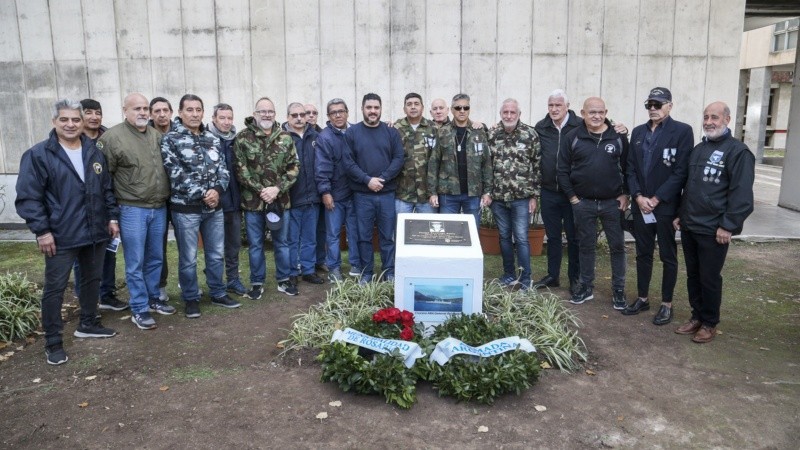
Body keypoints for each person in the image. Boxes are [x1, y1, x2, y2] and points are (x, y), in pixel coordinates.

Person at [16, 98, 119, 365]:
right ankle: (53, 342)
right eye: (64, 119)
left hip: (95, 232)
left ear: (82, 121)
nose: (71, 124)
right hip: (61, 235)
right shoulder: (38, 155)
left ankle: (88, 323)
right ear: (54, 122)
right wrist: (42, 231)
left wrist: (112, 218)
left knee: (91, 281)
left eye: (75, 119)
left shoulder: (94, 151)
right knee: (55, 289)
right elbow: (29, 198)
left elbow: (106, 189)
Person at [673, 101, 754, 343]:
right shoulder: (698, 150)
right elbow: (690, 187)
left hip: (714, 229)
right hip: (690, 225)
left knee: (709, 277)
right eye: (706, 117)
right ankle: (696, 316)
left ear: (727, 120)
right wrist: (680, 213)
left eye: (715, 117)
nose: (709, 121)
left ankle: (709, 322)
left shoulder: (738, 152)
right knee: (693, 275)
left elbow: (741, 193)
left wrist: (728, 224)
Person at [98, 93, 175, 330]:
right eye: (137, 109)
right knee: (135, 261)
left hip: (158, 207)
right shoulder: (111, 138)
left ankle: (153, 298)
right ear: (125, 111)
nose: (142, 112)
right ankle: (139, 308)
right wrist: (112, 214)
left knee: (155, 258)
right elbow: (104, 180)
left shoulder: (156, 136)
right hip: (131, 209)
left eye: (145, 108)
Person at [161, 94, 240, 318]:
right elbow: (174, 173)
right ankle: (191, 298)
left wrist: (217, 191)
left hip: (214, 209)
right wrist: (203, 194)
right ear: (180, 112)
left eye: (198, 110)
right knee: (188, 258)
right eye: (189, 110)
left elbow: (223, 169)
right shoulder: (170, 139)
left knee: (215, 255)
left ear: (203, 113)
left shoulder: (211, 138)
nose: (194, 114)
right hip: (185, 210)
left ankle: (217, 292)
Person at [622, 87, 694, 325]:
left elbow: (681, 171)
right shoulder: (639, 132)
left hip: (664, 206)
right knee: (643, 253)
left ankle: (666, 304)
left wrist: (657, 198)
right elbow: (630, 168)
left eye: (657, 104)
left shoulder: (682, 131)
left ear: (669, 106)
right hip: (642, 205)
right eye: (649, 105)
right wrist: (639, 196)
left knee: (667, 255)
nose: (652, 108)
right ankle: (643, 298)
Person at [557, 97, 629, 310]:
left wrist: (625, 194)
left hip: (612, 204)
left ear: (606, 112)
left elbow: (629, 167)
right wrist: (573, 198)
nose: (596, 116)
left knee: (617, 247)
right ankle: (586, 286)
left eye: (600, 112)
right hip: (583, 203)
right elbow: (562, 170)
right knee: (585, 247)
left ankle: (618, 289)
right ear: (583, 113)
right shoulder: (573, 137)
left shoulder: (618, 136)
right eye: (591, 112)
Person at [234, 97, 299, 297]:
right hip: (254, 203)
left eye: (270, 111)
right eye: (262, 111)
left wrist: (276, 189)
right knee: (255, 245)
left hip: (279, 202)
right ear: (255, 114)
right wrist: (262, 190)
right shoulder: (242, 138)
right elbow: (240, 169)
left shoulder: (285, 137)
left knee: (282, 243)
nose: (267, 115)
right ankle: (256, 282)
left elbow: (294, 167)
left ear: (275, 113)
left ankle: (284, 280)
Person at [343, 93, 404, 283]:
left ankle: (389, 272)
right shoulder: (352, 133)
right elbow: (348, 162)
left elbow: (398, 159)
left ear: (381, 109)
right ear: (362, 109)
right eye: (369, 107)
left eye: (376, 108)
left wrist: (383, 179)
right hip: (362, 195)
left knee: (387, 236)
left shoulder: (391, 132)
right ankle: (366, 273)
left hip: (386, 194)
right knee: (364, 237)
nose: (372, 111)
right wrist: (367, 180)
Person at [71, 98, 124, 311]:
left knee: (109, 251)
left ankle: (107, 294)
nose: (94, 117)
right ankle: (86, 302)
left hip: (108, 205)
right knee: (82, 257)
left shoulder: (109, 138)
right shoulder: (73, 140)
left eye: (98, 112)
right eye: (89, 113)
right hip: (80, 209)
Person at [487, 98, 540, 289]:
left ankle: (525, 279)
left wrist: (534, 195)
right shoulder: (492, 134)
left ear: (519, 114)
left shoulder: (530, 134)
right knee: (503, 237)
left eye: (512, 113)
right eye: (505, 112)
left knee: (521, 238)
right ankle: (509, 274)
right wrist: (488, 192)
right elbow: (486, 165)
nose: (509, 116)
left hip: (521, 198)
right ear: (501, 113)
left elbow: (536, 165)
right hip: (498, 197)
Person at [427, 93, 493, 228]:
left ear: (469, 109)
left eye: (465, 107)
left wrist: (487, 191)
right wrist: (432, 192)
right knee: (448, 232)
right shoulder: (442, 132)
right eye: (458, 108)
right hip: (448, 193)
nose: (462, 111)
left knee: (472, 233)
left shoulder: (479, 131)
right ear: (451, 110)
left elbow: (486, 163)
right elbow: (434, 163)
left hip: (473, 192)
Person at [315, 98, 361, 282]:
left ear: (347, 112)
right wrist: (325, 192)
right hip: (334, 194)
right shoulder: (325, 137)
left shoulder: (356, 132)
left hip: (356, 193)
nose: (338, 115)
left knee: (355, 231)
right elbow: (321, 167)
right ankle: (334, 267)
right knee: (333, 235)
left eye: (341, 111)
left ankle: (357, 264)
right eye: (333, 112)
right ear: (328, 116)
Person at [208, 103, 247, 296]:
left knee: (233, 245)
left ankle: (233, 279)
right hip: (213, 204)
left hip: (234, 202)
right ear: (214, 118)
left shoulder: (236, 140)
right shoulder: (206, 139)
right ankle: (214, 281)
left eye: (229, 118)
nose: (226, 122)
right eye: (222, 118)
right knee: (214, 247)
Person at [283, 102, 325, 285]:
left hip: (312, 197)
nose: (300, 118)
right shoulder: (282, 138)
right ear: (288, 117)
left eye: (302, 114)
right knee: (292, 239)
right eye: (295, 115)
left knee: (310, 238)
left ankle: (308, 270)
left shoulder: (316, 136)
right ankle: (292, 271)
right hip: (291, 198)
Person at [394, 92, 438, 214]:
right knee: (401, 230)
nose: (413, 107)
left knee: (427, 232)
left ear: (422, 108)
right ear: (404, 109)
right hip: (402, 193)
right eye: (409, 104)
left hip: (427, 195)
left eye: (416, 104)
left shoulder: (433, 128)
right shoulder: (395, 128)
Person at [149, 96, 174, 301]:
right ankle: (160, 284)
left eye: (165, 110)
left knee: (187, 244)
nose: (162, 114)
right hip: (158, 198)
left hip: (182, 198)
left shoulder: (180, 132)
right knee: (158, 245)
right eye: (157, 111)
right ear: (151, 114)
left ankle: (188, 282)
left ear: (171, 112)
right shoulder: (145, 135)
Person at [304, 103, 328, 272]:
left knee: (322, 230)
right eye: (307, 113)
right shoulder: (290, 134)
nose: (311, 115)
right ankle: (306, 263)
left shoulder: (322, 134)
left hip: (323, 190)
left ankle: (320, 260)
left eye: (314, 112)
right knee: (307, 233)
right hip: (304, 192)